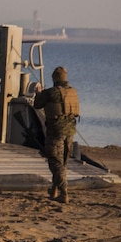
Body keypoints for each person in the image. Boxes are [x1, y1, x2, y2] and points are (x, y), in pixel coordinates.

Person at [33, 66, 79, 203]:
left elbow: (37, 104)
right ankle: (54, 189)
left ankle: (64, 192)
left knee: (54, 160)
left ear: (54, 78)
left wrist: (38, 92)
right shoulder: (72, 91)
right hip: (70, 131)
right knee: (63, 161)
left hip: (55, 131)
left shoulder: (51, 93)